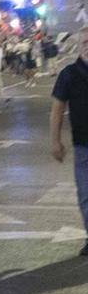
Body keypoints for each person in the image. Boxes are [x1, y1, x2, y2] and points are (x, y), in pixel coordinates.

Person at [49, 48, 88, 255]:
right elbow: (57, 108)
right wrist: (55, 141)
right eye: (85, 42)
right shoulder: (69, 74)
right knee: (86, 195)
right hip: (83, 145)